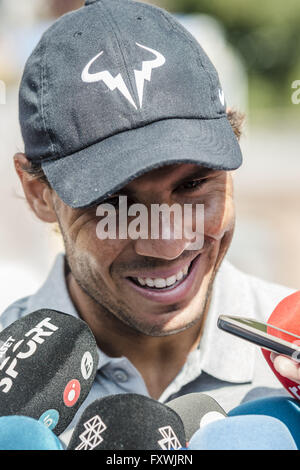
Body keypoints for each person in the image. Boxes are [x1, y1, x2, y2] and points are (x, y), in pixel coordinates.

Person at [0, 0, 298, 445]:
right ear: (38, 194)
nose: (168, 243)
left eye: (194, 184)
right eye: (114, 201)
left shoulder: (288, 355)